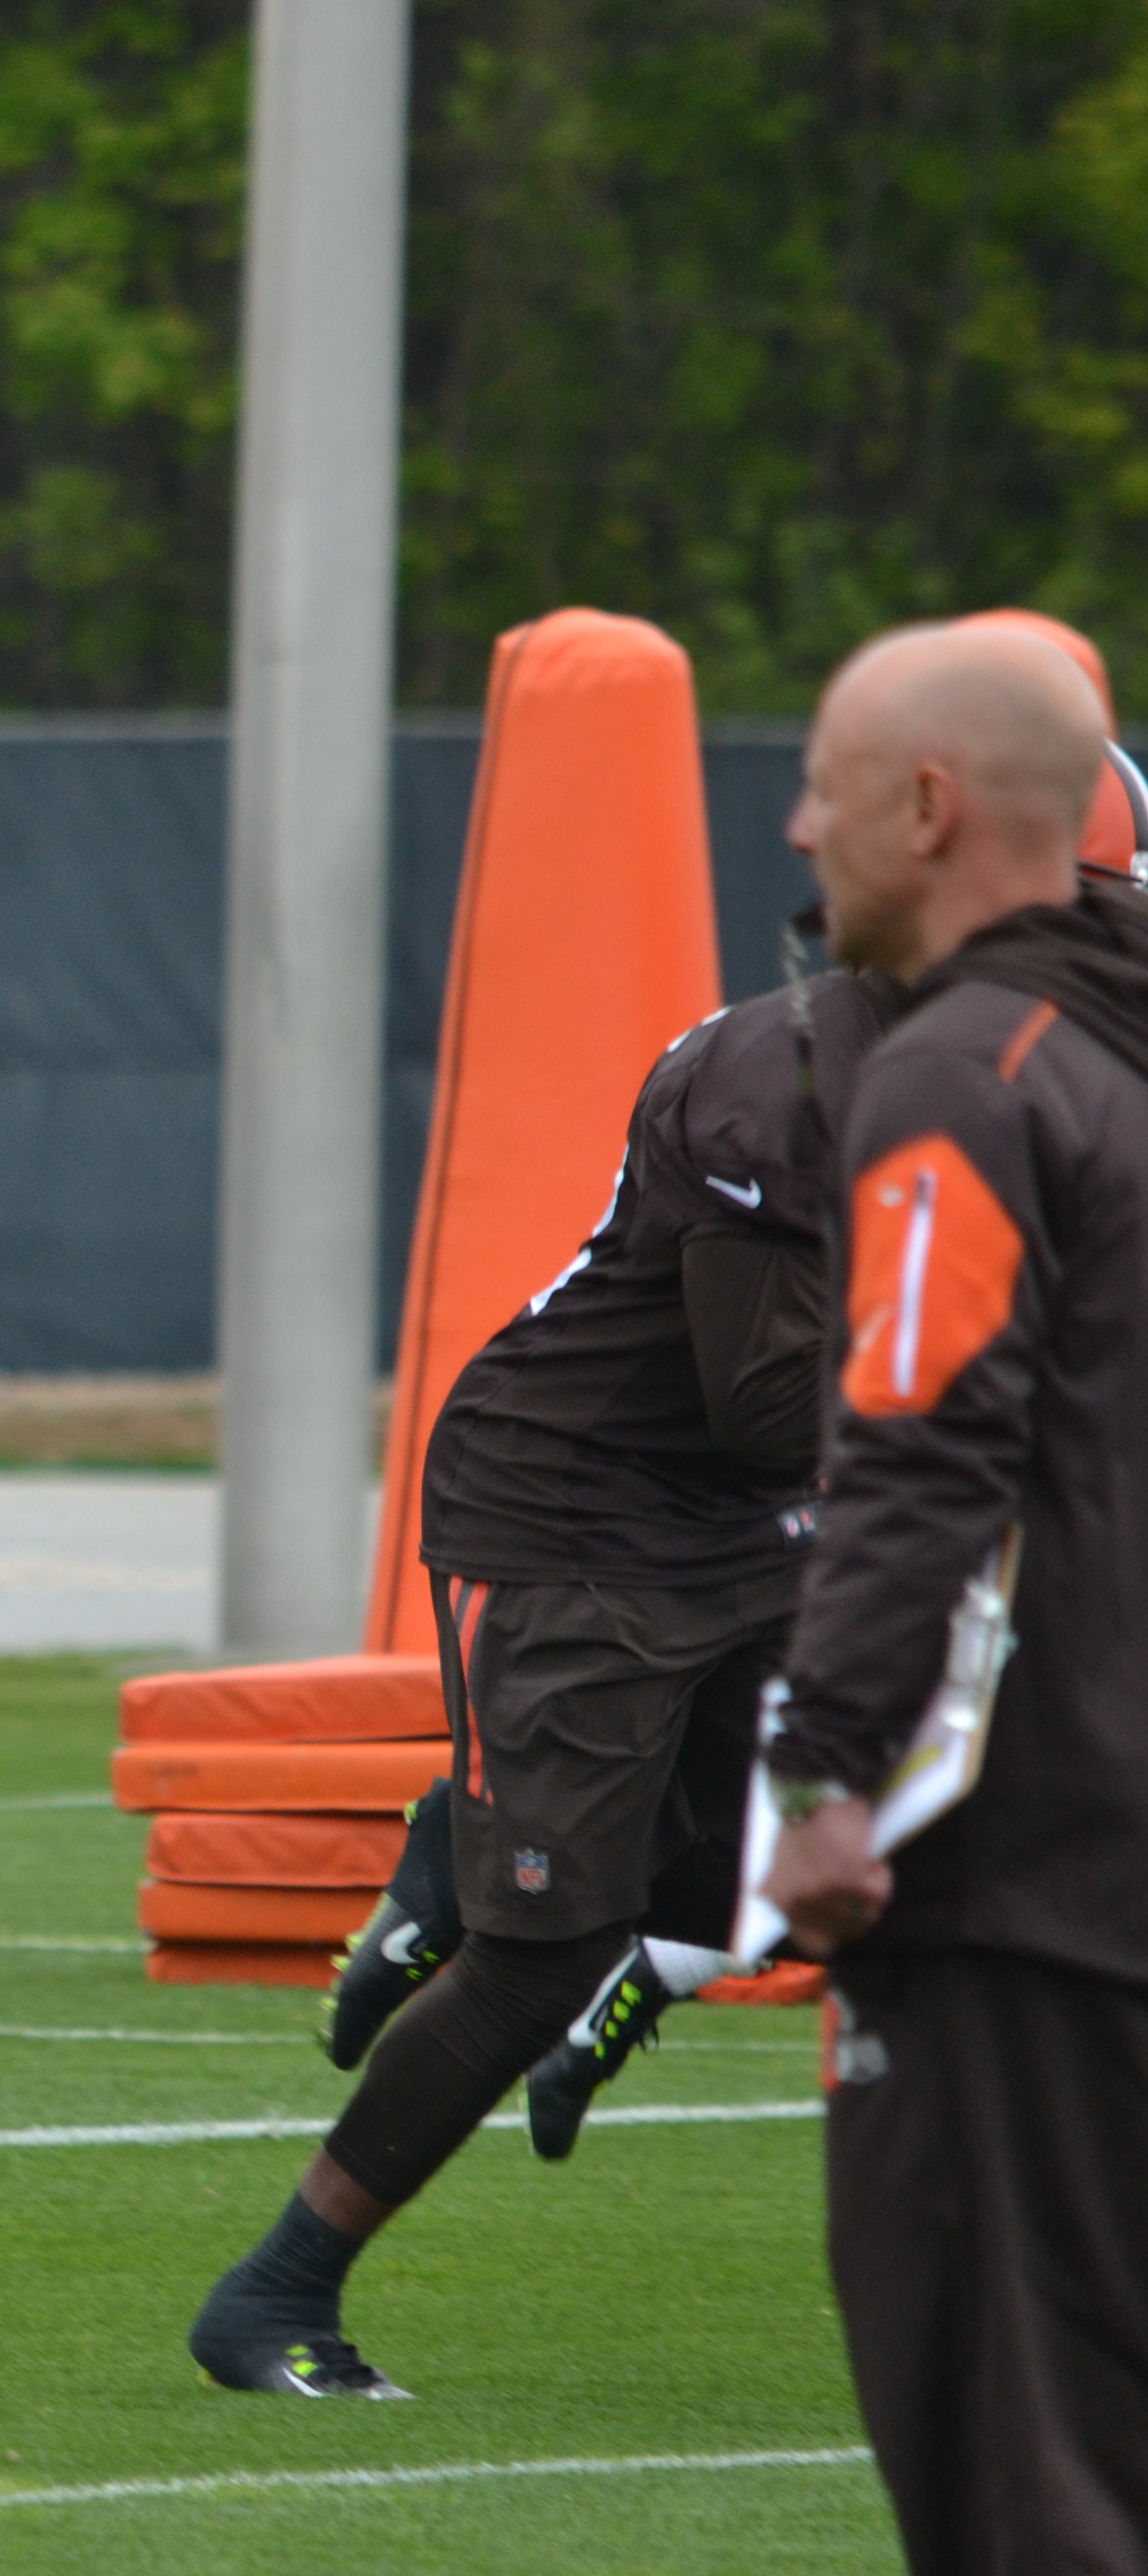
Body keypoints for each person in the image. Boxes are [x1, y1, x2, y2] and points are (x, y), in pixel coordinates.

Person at [187, 937, 888, 2397]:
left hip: (754, 1525)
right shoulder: (796, 1068)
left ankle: (464, 1844)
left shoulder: (1008, 1060)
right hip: (586, 1518)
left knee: (901, 1864)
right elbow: (766, 1400)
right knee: (546, 1955)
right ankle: (274, 2296)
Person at [760, 619, 1148, 2563]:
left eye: (824, 781)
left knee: (1016, 2465)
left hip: (1014, 1884)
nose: (794, 823)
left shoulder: (962, 1078)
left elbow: (921, 1447)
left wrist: (820, 1770)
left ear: (926, 807)